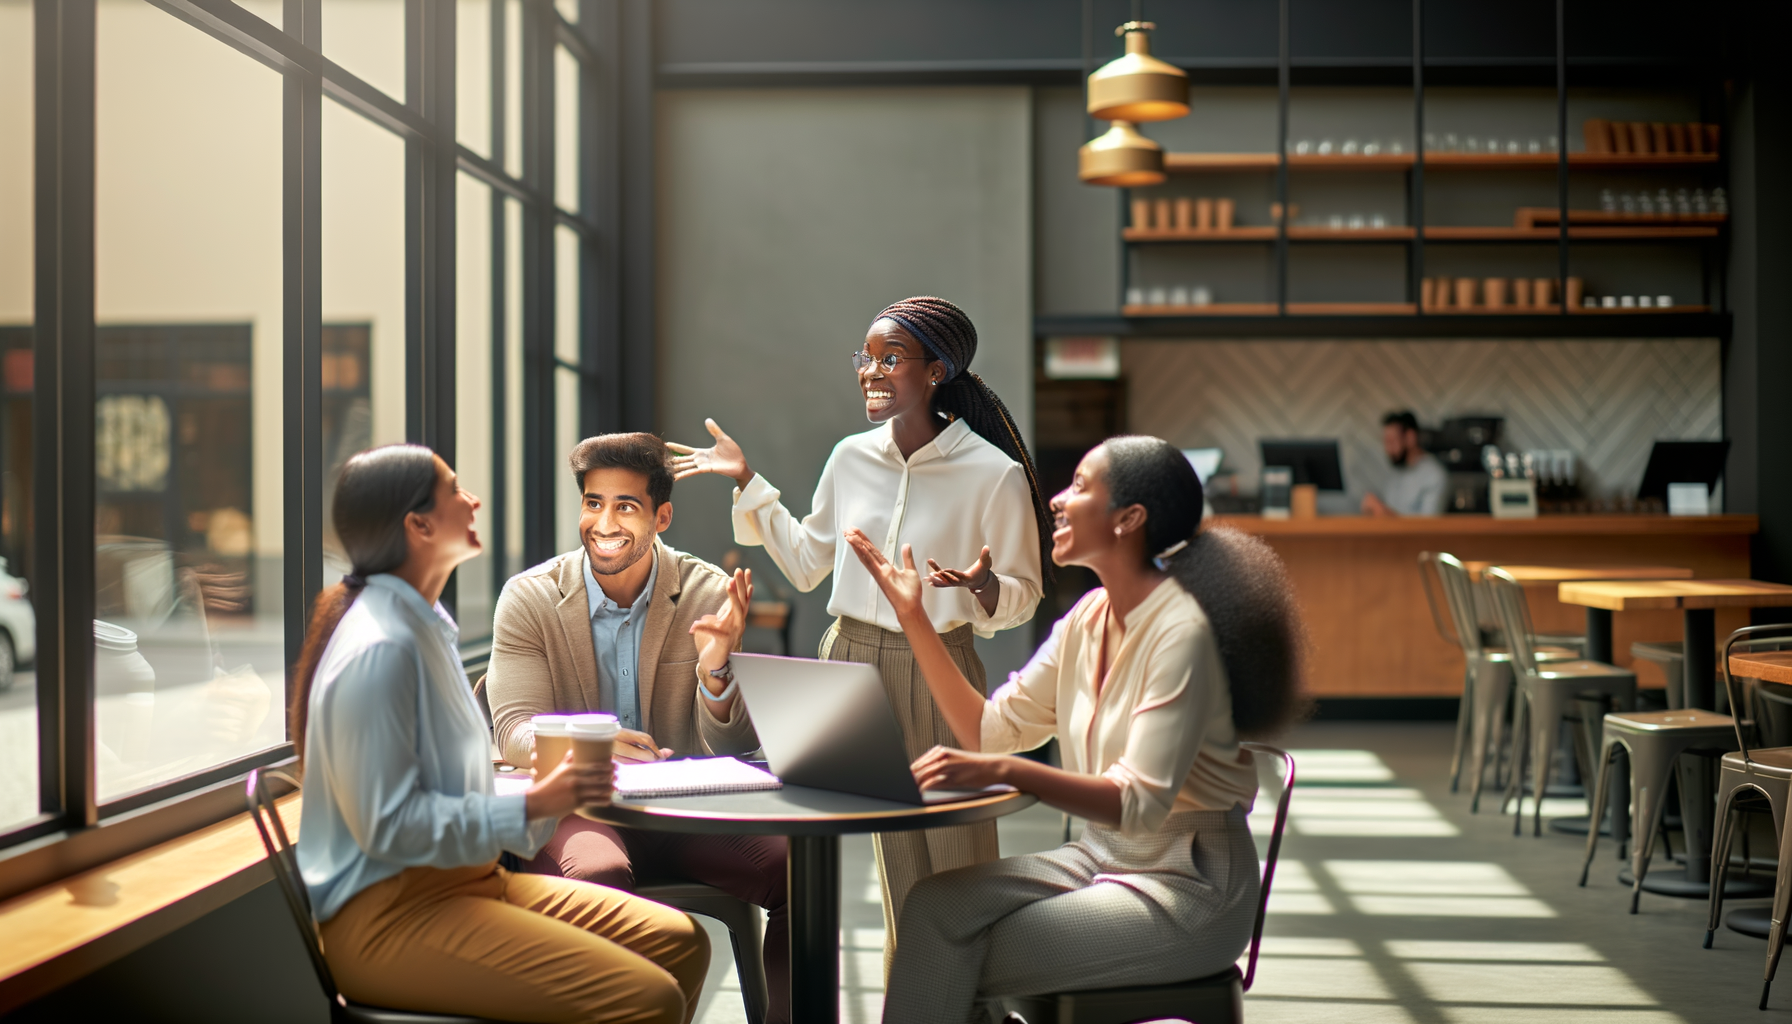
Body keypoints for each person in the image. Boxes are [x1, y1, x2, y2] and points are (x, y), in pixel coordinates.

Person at [842, 435, 1305, 1024]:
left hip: (1189, 884)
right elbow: (989, 730)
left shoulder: (1182, 634)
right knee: (931, 908)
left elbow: (1137, 803)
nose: (1058, 499)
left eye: (1081, 486)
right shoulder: (1087, 618)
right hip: (1100, 855)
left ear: (1129, 519)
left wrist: (1009, 772)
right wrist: (913, 615)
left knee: (954, 949)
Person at [668, 296, 1053, 969]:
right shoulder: (850, 458)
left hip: (940, 665)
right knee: (895, 861)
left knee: (957, 861)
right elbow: (809, 563)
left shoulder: (995, 474)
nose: (871, 371)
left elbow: (1022, 598)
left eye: (890, 358)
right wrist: (747, 480)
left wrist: (980, 586)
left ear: (936, 371)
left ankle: (972, 1006)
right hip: (848, 659)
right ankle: (914, 1004)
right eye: (865, 357)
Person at [292, 444, 709, 1023]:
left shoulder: (426, 628)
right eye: (455, 492)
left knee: (683, 943)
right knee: (648, 999)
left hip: (467, 885)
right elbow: (389, 828)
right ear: (418, 525)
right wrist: (541, 800)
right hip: (390, 919)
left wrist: (549, 794)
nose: (474, 500)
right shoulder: (380, 651)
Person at [484, 432, 791, 1024]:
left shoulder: (703, 590)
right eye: (593, 503)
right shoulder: (528, 598)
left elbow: (733, 746)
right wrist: (592, 743)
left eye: (625, 505)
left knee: (794, 867)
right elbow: (514, 733)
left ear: (662, 516)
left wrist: (716, 670)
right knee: (596, 877)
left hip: (684, 807)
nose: (604, 522)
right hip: (577, 804)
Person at [1362, 409, 1447, 517]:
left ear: (1410, 437)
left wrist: (1382, 511)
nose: (1387, 449)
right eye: (1385, 442)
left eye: (1391, 441)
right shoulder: (1396, 472)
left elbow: (1428, 529)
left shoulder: (1434, 476)